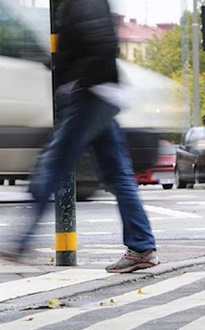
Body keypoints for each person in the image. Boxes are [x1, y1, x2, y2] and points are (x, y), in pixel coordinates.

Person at [0, 0, 158, 273]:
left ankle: (20, 241)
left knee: (52, 166)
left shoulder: (84, 1)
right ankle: (142, 245)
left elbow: (98, 45)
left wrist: (70, 78)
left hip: (91, 95)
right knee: (116, 173)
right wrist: (56, 64)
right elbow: (88, 45)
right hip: (99, 93)